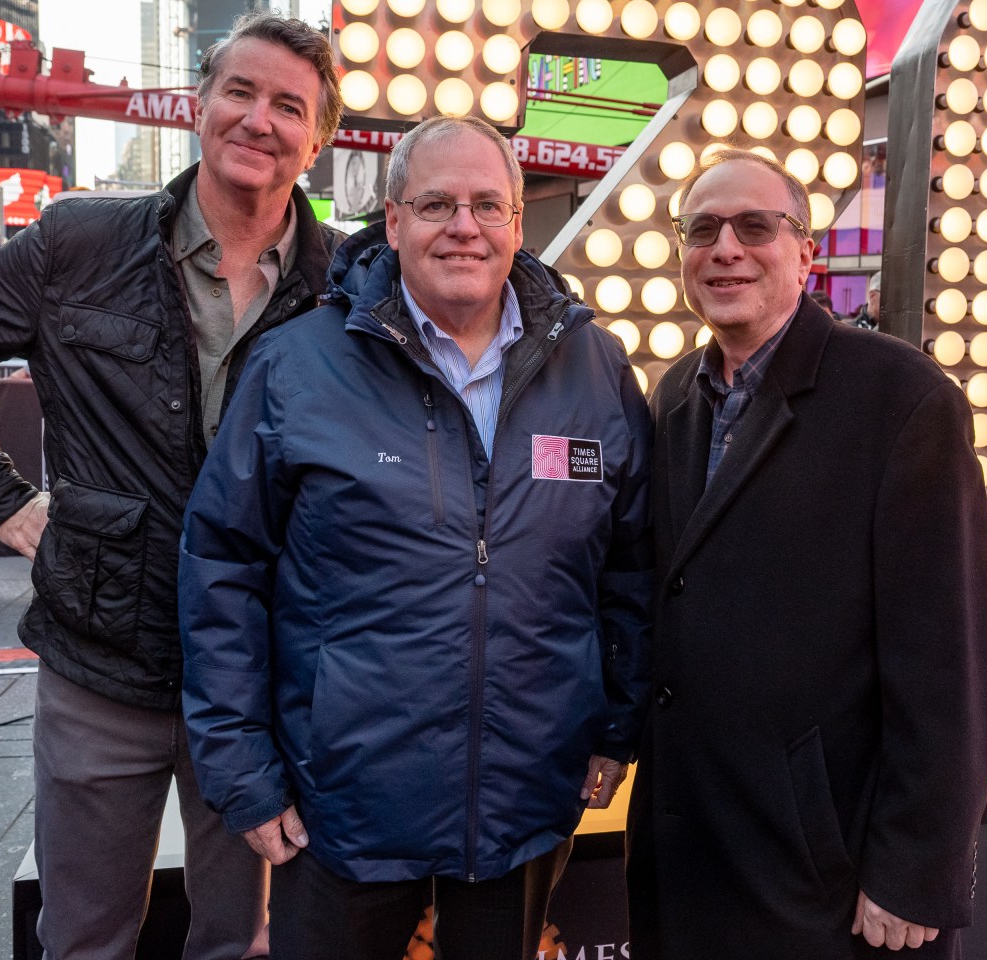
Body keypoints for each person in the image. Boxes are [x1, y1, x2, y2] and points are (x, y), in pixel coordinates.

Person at [0, 14, 345, 960]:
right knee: (85, 937)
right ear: (201, 106)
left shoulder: (346, 284)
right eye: (241, 93)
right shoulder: (80, 242)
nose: (259, 120)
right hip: (103, 664)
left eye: (288, 106)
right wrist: (4, 504)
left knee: (243, 941)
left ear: (320, 136)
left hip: (266, 673)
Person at [180, 115, 652, 960]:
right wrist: (242, 773)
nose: (463, 227)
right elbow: (222, 569)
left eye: (487, 205)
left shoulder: (596, 369)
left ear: (517, 224)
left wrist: (616, 726)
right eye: (436, 204)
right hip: (341, 804)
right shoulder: (297, 367)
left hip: (526, 796)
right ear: (392, 223)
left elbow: (627, 566)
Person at [626, 149, 987, 960]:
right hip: (696, 855)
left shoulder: (901, 399)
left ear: (806, 252)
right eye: (702, 229)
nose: (725, 247)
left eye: (755, 226)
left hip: (825, 883)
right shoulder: (674, 397)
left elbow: (954, 663)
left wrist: (916, 868)